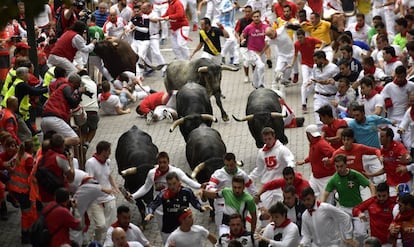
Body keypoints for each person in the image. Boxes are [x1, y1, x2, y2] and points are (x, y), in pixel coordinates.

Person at [127, 151, 202, 234]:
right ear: (157, 162)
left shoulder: (176, 172)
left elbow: (188, 181)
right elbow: (145, 187)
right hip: (160, 209)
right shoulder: (152, 173)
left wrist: (200, 186)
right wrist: (133, 196)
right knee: (165, 233)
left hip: (177, 208)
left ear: (168, 162)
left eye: (164, 162)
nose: (162, 164)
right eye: (160, 162)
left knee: (181, 232)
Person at [322, 154, 376, 244]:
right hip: (343, 210)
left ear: (346, 165)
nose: (339, 169)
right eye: (337, 166)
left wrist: (373, 198)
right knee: (346, 238)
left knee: (361, 234)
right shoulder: (334, 179)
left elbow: (370, 185)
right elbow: (325, 194)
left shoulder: (355, 175)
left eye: (341, 166)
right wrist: (321, 206)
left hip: (358, 208)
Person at [145, 172, 210, 243]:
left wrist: (201, 208)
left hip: (184, 227)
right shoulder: (163, 194)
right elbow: (152, 205)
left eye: (174, 183)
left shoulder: (186, 192)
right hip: (169, 229)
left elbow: (195, 202)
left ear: (179, 182)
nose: (172, 187)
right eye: (169, 184)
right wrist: (149, 213)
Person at [205, 152, 256, 231]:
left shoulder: (242, 174)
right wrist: (220, 193)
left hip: (238, 204)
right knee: (222, 230)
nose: (229, 167)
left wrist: (260, 205)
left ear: (235, 162)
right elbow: (209, 187)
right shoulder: (218, 174)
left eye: (231, 165)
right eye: (227, 165)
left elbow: (252, 189)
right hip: (221, 206)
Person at [249, 127, 295, 209]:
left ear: (274, 136)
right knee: (265, 210)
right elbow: (259, 169)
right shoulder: (261, 152)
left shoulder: (282, 149)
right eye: (265, 139)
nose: (268, 141)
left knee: (284, 209)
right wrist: (248, 178)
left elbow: (290, 160)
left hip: (280, 186)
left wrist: (289, 171)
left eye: (269, 139)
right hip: (267, 186)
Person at [86, 141, 120, 243]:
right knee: (101, 226)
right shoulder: (90, 163)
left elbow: (108, 175)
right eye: (109, 151)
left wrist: (115, 186)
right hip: (96, 200)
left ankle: (108, 243)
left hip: (109, 198)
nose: (110, 153)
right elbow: (89, 183)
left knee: (111, 226)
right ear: (103, 151)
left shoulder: (107, 161)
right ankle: (96, 242)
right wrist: (106, 190)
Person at [41, 73, 85, 146]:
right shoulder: (66, 87)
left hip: (45, 120)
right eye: (78, 84)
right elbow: (73, 102)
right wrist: (80, 94)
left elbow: (71, 104)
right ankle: (51, 144)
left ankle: (49, 145)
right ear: (74, 82)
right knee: (75, 139)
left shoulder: (61, 90)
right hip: (54, 119)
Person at [365, 128, 412, 195]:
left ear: (389, 138)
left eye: (382, 136)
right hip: (391, 184)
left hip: (404, 182)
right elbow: (385, 169)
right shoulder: (382, 151)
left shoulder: (398, 146)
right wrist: (371, 174)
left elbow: (407, 156)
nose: (380, 139)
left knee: (406, 202)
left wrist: (407, 159)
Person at [288, 29, 324, 112]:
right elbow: (295, 55)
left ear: (304, 36)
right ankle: (304, 104)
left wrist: (319, 49)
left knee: (312, 83)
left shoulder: (311, 40)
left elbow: (323, 42)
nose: (299, 39)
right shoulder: (296, 44)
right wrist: (292, 64)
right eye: (298, 38)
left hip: (314, 65)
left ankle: (305, 96)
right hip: (304, 64)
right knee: (305, 82)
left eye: (301, 37)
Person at [296, 124, 336, 199]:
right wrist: (304, 161)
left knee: (328, 200)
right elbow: (314, 156)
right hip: (315, 177)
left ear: (308, 135)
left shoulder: (321, 144)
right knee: (309, 194)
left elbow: (334, 153)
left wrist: (330, 161)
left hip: (325, 178)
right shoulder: (313, 143)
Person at [37, 134, 75, 203]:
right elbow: (71, 178)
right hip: (59, 196)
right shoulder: (60, 158)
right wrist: (71, 161)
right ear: (62, 146)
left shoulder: (42, 158)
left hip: (44, 194)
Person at [309, 50, 340, 126]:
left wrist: (333, 83)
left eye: (316, 60)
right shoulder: (315, 67)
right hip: (319, 96)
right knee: (319, 120)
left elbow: (338, 83)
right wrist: (311, 82)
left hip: (331, 97)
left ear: (322, 59)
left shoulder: (334, 68)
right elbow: (314, 78)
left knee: (333, 120)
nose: (315, 63)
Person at [240, 10, 268, 89]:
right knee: (261, 66)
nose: (256, 18)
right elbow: (242, 35)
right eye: (254, 17)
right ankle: (262, 85)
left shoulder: (265, 26)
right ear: (252, 18)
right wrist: (242, 40)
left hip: (262, 51)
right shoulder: (249, 27)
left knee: (258, 68)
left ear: (260, 17)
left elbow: (269, 38)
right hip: (252, 51)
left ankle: (255, 84)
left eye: (257, 16)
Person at [79, 70, 99, 151]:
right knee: (93, 129)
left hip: (82, 110)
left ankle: (82, 145)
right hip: (93, 110)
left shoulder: (79, 82)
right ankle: (86, 144)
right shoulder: (93, 83)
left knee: (82, 131)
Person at [234, 5, 253, 83]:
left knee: (253, 61)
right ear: (244, 12)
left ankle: (255, 75)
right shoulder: (240, 21)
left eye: (249, 11)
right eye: (246, 11)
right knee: (246, 60)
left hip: (253, 43)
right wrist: (238, 38)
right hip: (243, 43)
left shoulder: (254, 20)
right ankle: (246, 76)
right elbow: (236, 31)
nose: (247, 13)